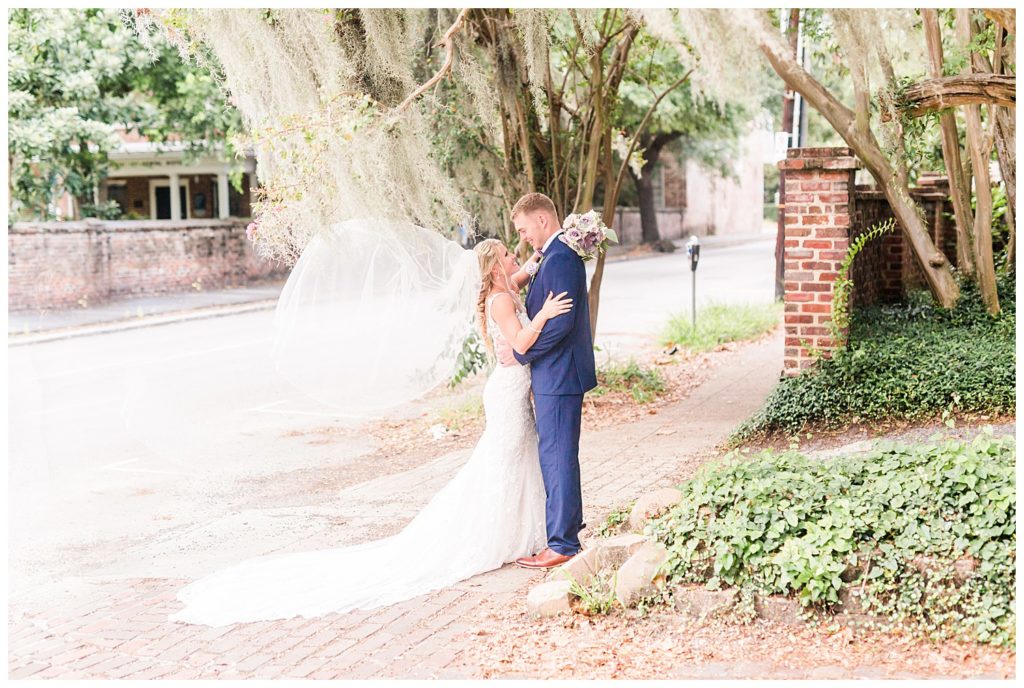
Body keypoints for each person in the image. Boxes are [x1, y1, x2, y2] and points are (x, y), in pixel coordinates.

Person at [169, 235, 573, 626]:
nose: (513, 256)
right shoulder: (502, 300)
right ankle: (500, 533)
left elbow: (513, 282)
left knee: (516, 460)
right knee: (502, 462)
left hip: (511, 391)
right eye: (506, 253)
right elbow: (520, 341)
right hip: (507, 394)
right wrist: (543, 313)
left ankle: (526, 531)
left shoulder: (502, 289)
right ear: (493, 267)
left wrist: (537, 262)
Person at [495, 193, 598, 569]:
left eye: (524, 229)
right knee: (558, 457)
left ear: (542, 220)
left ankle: (562, 544)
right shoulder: (552, 256)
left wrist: (521, 354)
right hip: (556, 374)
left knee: (557, 459)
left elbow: (560, 325)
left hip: (559, 374)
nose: (523, 239)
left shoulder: (562, 258)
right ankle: (566, 532)